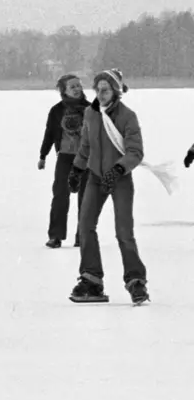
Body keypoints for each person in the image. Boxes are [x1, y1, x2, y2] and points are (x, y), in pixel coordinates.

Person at [67, 68, 148, 305]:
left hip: (120, 179)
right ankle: (92, 280)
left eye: (106, 90)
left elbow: (135, 152)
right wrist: (76, 169)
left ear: (116, 91)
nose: (100, 94)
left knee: (124, 232)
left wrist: (118, 169)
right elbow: (85, 147)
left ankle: (136, 281)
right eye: (98, 89)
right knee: (85, 226)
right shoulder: (91, 115)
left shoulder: (127, 116)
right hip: (94, 177)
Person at [37, 74, 89, 248]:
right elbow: (50, 133)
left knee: (86, 198)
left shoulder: (91, 109)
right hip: (65, 158)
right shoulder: (57, 111)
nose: (77, 89)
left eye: (78, 86)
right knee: (60, 196)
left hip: (86, 159)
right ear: (64, 90)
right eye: (72, 87)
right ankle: (56, 236)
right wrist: (43, 155)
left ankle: (82, 236)